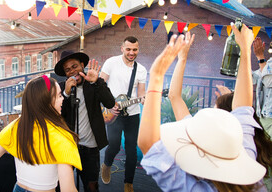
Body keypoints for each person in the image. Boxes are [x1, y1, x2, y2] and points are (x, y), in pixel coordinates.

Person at [138, 26, 267, 191]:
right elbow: (243, 108)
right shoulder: (242, 151)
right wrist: (244, 50)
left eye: (215, 107)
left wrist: (156, 76)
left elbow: (149, 146)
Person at [0, 75, 82, 192]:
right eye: (59, 95)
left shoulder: (17, 125)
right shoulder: (62, 136)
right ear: (46, 101)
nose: (62, 99)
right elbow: (68, 189)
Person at [54, 51, 115, 192]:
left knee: (92, 186)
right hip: (68, 146)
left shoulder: (93, 84)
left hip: (90, 148)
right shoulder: (62, 88)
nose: (72, 72)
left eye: (75, 66)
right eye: (67, 70)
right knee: (60, 184)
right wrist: (66, 94)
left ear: (82, 65)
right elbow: (57, 116)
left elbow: (110, 103)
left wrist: (97, 81)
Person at [100, 36, 147, 192]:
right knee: (113, 146)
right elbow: (100, 87)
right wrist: (107, 105)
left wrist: (146, 100)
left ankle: (128, 183)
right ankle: (106, 165)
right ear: (122, 48)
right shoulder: (111, 63)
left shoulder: (141, 69)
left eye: (135, 49)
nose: (131, 52)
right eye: (128, 49)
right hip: (112, 113)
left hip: (132, 114)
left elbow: (141, 95)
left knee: (131, 149)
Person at [252, 37, 272, 138]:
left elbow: (268, 81)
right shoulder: (270, 62)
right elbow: (256, 78)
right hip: (264, 117)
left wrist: (260, 56)